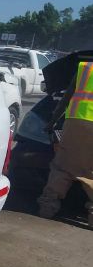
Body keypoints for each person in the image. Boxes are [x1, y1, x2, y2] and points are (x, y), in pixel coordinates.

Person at [37, 60, 93, 226]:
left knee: (62, 166)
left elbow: (66, 98)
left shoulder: (85, 68)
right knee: (90, 170)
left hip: (76, 122)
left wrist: (52, 122)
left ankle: (47, 208)